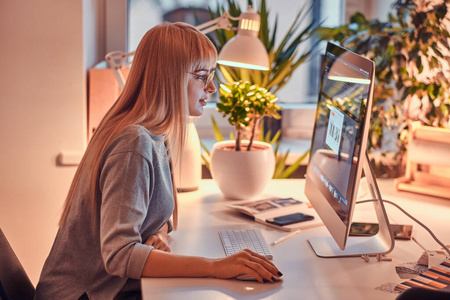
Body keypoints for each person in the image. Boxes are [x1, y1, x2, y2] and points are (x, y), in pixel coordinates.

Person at [35, 22, 282, 300]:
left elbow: (158, 216)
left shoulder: (156, 133)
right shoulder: (133, 144)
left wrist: (160, 235)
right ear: (171, 77)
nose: (212, 87)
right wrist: (215, 267)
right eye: (202, 76)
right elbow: (119, 255)